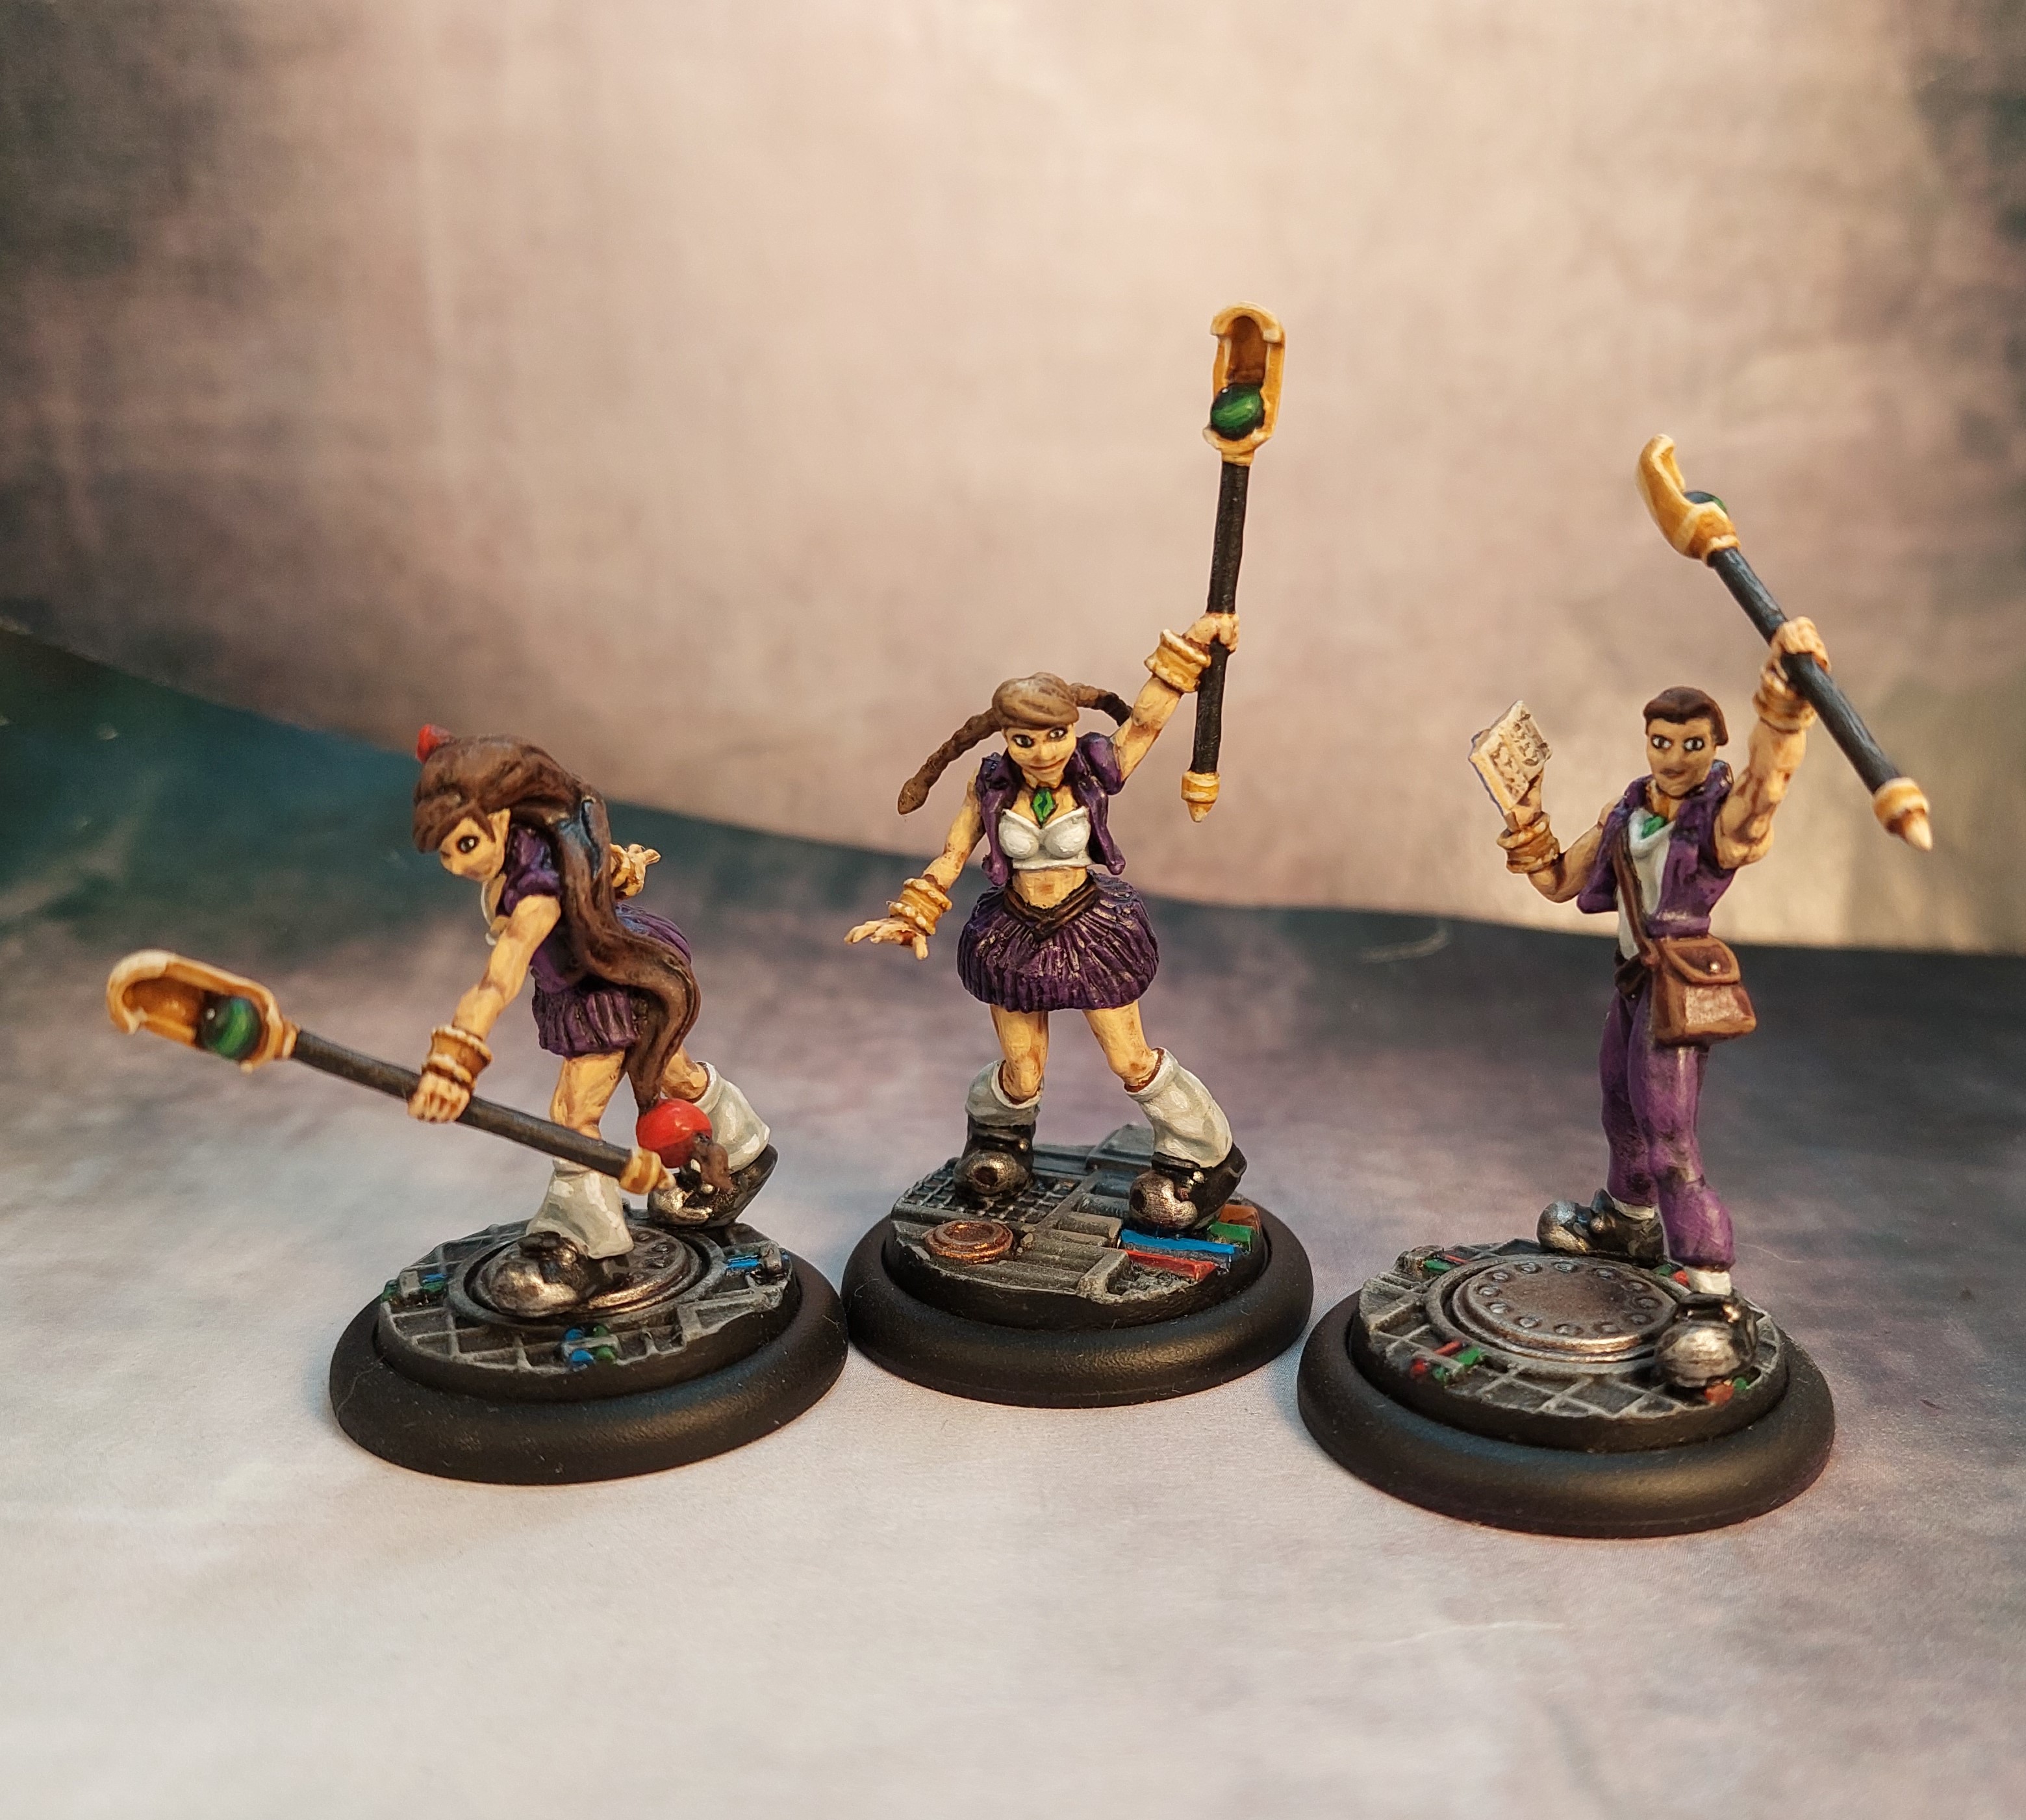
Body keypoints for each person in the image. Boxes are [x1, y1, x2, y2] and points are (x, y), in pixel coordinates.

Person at [1494, 617, 1831, 1387]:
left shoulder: (1716, 820)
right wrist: (1524, 815)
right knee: (1619, 1107)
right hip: (1631, 983)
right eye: (1660, 742)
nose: (1673, 758)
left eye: (1691, 744)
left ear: (1713, 746)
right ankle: (1627, 1223)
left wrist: (1782, 712)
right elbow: (1558, 880)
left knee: (1670, 1139)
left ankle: (1712, 1297)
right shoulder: (1629, 810)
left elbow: (1763, 791)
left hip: (1675, 987)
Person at [848, 613, 1245, 1232]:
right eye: (1025, 741)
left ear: (1073, 729)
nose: (1043, 752)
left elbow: (1145, 723)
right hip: (1013, 934)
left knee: (1131, 1061)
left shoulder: (1093, 769)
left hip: (1090, 929)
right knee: (1021, 1073)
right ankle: (998, 1140)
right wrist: (912, 915)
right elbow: (953, 854)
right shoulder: (990, 786)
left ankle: (1201, 1156)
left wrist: (1190, 650)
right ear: (1007, 738)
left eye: (1056, 734)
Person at [405, 729, 772, 1316]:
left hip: (603, 995)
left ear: (499, 818)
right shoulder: (541, 843)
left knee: (574, 1118)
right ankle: (743, 1146)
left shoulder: (536, 894)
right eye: (446, 853)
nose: (457, 866)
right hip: (618, 978)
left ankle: (585, 1245)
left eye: (465, 844)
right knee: (671, 1074)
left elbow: (500, 978)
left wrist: (454, 1058)